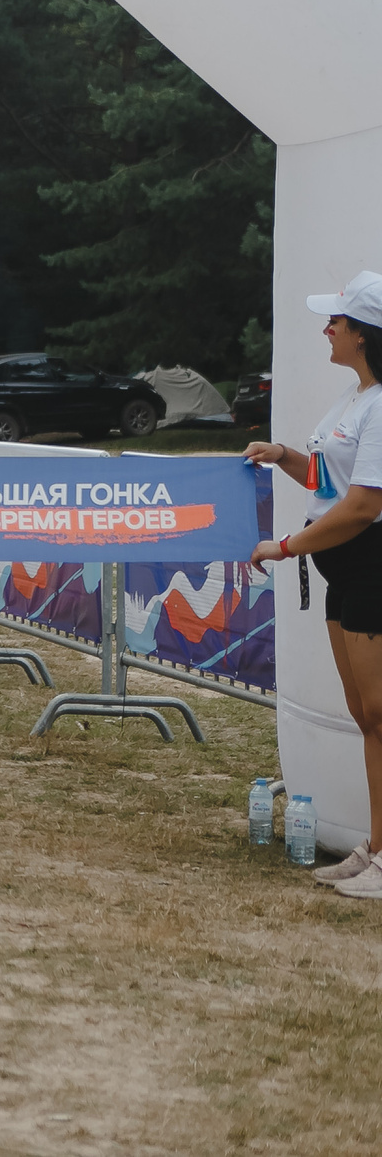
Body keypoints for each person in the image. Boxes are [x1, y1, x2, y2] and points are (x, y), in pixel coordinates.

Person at [249, 272, 382, 898]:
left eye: (337, 321)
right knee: (366, 714)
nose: (326, 329)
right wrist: (283, 456)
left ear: (363, 334)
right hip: (345, 571)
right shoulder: (355, 397)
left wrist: (285, 547)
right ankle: (376, 848)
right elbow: (328, 482)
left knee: (380, 714)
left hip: (371, 563)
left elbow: (361, 507)